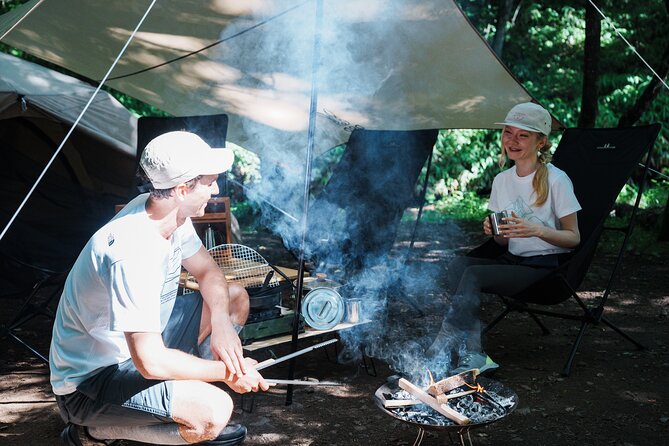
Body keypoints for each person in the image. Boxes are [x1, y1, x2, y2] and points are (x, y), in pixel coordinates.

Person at [49, 131, 269, 446]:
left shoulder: (166, 213)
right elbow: (149, 362)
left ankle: (181, 401)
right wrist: (227, 372)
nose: (216, 189)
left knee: (234, 298)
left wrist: (221, 323)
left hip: (140, 347)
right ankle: (95, 433)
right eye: (209, 182)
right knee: (214, 411)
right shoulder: (134, 250)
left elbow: (208, 272)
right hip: (90, 383)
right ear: (182, 189)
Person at [427, 102, 581, 374]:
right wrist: (495, 231)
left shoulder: (558, 180)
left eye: (523, 135)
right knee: (458, 266)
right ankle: (474, 350)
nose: (513, 140)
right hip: (513, 260)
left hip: (545, 269)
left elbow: (574, 238)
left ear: (541, 142)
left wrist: (536, 230)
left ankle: (446, 342)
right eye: (508, 133)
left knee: (473, 274)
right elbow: (502, 243)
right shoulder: (501, 180)